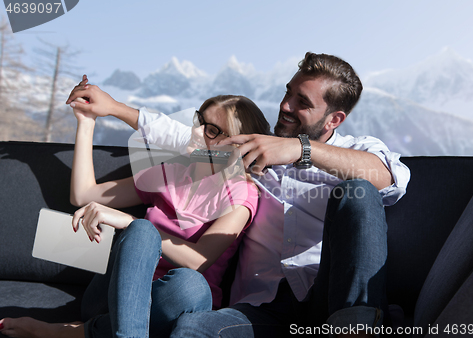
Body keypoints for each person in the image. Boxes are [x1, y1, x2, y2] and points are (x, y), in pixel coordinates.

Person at [63, 52, 410, 337]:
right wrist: (112, 108)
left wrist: (299, 149)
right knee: (191, 328)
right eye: (287, 93)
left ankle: (359, 326)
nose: (285, 106)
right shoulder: (251, 156)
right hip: (263, 311)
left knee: (357, 192)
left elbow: (387, 177)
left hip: (328, 299)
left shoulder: (354, 152)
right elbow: (187, 137)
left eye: (301, 102)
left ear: (334, 119)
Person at [0, 95, 271, 337]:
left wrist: (131, 223)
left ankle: (71, 333)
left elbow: (198, 260)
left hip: (172, 305)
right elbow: (84, 195)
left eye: (211, 130)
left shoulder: (241, 195)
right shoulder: (172, 172)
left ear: (237, 145)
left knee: (189, 283)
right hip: (114, 296)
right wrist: (86, 122)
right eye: (199, 120)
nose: (196, 131)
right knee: (142, 233)